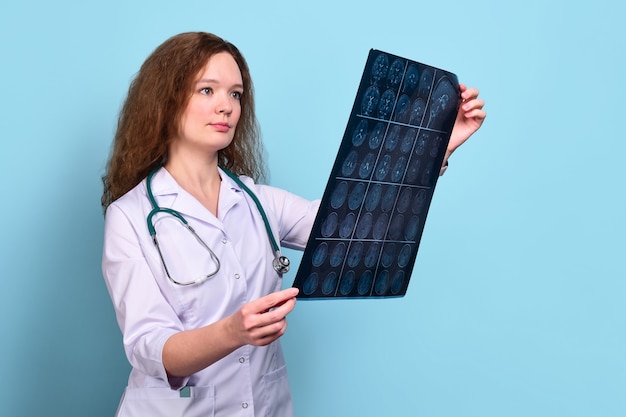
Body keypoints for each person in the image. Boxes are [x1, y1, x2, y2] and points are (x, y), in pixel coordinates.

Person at [101, 31, 486, 417]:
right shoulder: (131, 217)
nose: (227, 107)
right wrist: (232, 332)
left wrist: (439, 146)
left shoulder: (258, 201)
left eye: (236, 94)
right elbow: (150, 347)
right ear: (165, 101)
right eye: (207, 90)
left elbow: (360, 229)